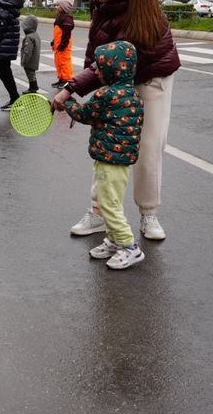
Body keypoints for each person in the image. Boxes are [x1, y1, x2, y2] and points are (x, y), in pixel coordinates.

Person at [51, 0, 180, 240]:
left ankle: (149, 214)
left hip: (151, 77)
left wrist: (71, 88)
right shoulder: (102, 1)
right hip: (114, 74)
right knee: (107, 143)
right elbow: (97, 52)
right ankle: (99, 212)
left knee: (148, 147)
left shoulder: (143, 8)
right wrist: (83, 86)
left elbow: (119, 56)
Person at [62, 40, 145, 269]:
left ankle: (129, 246)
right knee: (110, 200)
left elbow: (84, 114)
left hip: (109, 160)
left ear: (112, 70)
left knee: (109, 204)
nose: (96, 71)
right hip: (119, 161)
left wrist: (68, 102)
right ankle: (114, 241)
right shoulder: (134, 95)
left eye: (100, 67)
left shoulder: (105, 95)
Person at [50, 0, 75, 88]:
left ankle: (67, 80)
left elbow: (66, 36)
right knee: (58, 63)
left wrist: (62, 45)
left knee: (64, 63)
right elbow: (57, 33)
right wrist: (53, 42)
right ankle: (61, 78)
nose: (56, 7)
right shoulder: (60, 18)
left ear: (64, 7)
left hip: (64, 46)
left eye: (58, 5)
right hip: (58, 45)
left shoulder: (67, 20)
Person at [19, 14, 42, 94]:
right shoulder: (35, 35)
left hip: (30, 61)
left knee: (30, 74)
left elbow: (27, 51)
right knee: (32, 74)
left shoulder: (29, 37)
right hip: (34, 59)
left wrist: (24, 61)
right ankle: (33, 86)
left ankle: (33, 87)